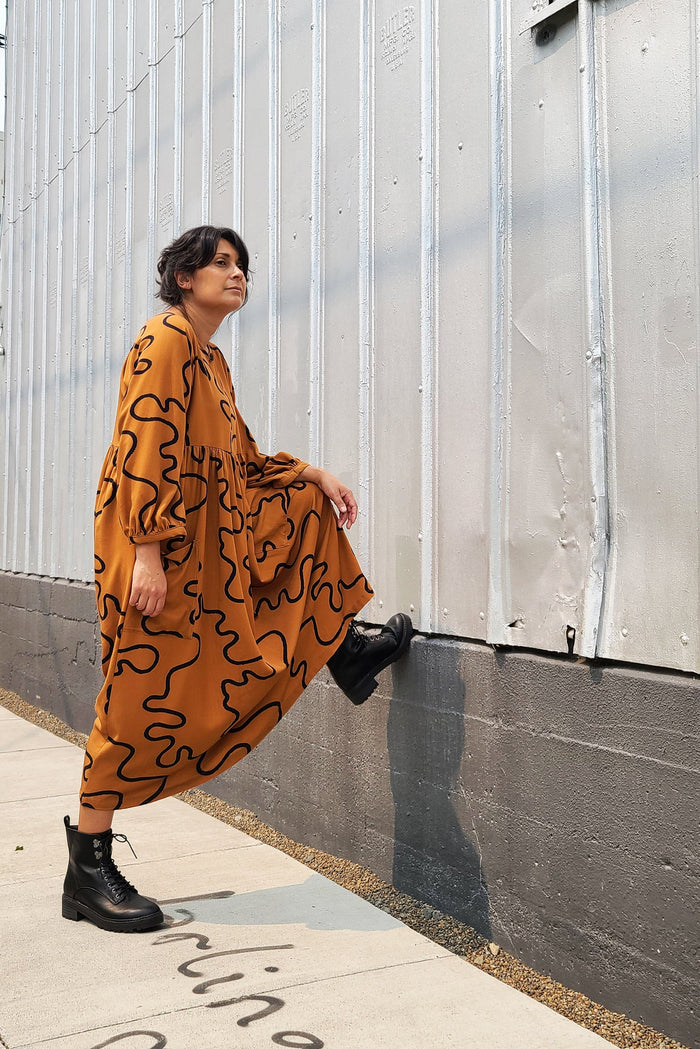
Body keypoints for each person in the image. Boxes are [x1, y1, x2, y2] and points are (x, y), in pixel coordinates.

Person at [62, 225, 413, 933]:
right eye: (220, 262)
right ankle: (86, 871)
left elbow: (242, 459)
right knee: (136, 694)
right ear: (183, 277)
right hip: (159, 544)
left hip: (210, 544)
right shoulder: (164, 340)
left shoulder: (210, 359)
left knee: (304, 505)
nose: (236, 273)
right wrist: (148, 552)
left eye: (242, 265)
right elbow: (143, 443)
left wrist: (312, 473)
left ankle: (341, 648)